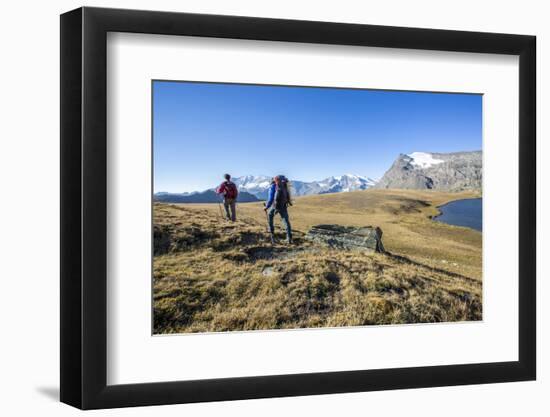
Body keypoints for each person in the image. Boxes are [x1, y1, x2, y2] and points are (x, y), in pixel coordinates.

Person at [264, 175, 292, 244]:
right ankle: (289, 238)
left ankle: (272, 232)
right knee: (286, 221)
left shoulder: (273, 186)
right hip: (283, 205)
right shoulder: (284, 185)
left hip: (275, 206)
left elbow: (271, 199)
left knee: (270, 216)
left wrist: (266, 207)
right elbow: (287, 195)